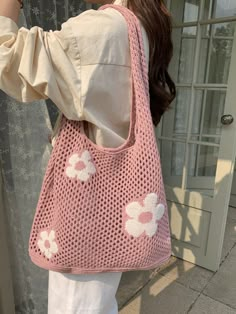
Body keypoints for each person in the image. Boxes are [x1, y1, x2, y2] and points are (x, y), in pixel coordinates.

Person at [0, 0, 175, 313]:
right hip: (114, 203)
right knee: (97, 304)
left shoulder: (104, 28)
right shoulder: (142, 26)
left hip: (85, 208)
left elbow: (7, 59)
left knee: (75, 306)